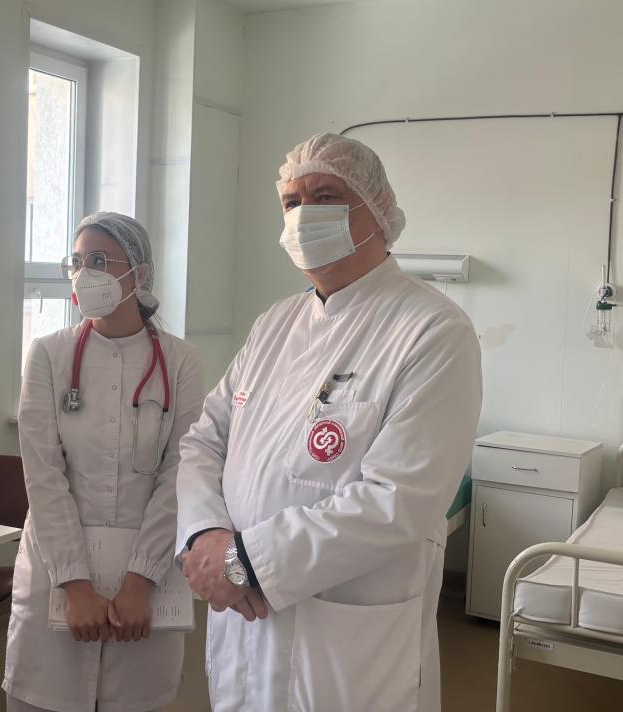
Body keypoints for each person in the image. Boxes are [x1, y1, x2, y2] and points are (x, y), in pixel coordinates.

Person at [176, 133, 483, 712]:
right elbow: (204, 440)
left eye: (324, 196)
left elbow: (397, 501)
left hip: (343, 641)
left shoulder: (433, 330)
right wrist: (204, 537)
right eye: (291, 202)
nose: (303, 215)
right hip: (243, 617)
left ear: (379, 210)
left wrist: (246, 563)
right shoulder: (274, 324)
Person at [4, 212, 205, 712]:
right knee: (45, 699)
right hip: (57, 568)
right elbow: (44, 476)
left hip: (147, 571)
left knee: (132, 700)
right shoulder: (48, 354)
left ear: (139, 274)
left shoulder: (181, 362)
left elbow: (179, 475)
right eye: (76, 262)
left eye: (98, 260)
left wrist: (141, 580)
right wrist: (74, 584)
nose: (83, 274)